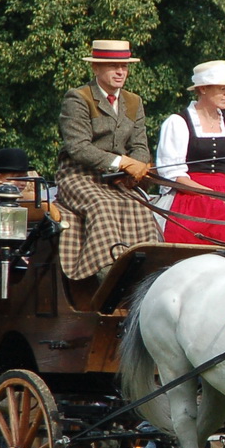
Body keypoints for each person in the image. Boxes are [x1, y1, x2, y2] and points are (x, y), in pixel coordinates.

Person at [56, 39, 156, 280]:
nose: (120, 72)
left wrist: (137, 167)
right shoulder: (78, 98)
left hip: (118, 179)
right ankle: (107, 272)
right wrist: (121, 162)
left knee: (141, 208)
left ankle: (148, 271)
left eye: (124, 66)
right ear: (96, 69)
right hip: (78, 174)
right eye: (113, 66)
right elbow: (78, 148)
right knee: (103, 206)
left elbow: (140, 145)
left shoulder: (134, 101)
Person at [155, 59, 225, 249]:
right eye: (222, 88)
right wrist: (211, 194)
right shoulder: (178, 122)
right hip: (191, 193)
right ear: (203, 89)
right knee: (223, 219)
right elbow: (173, 174)